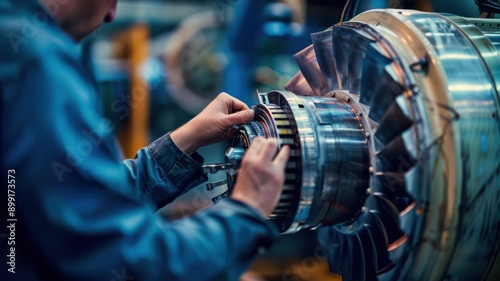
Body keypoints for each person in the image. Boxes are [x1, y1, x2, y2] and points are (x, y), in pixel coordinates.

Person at [0, 0, 290, 280]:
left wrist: (181, 143)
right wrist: (246, 212)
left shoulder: (14, 39)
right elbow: (131, 261)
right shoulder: (36, 64)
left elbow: (77, 199)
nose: (112, 14)